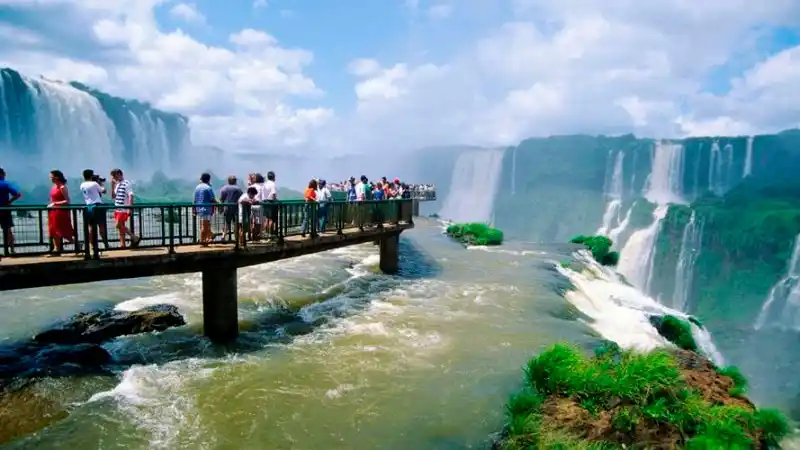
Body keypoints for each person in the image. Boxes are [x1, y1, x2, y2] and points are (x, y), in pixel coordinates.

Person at [110, 168, 141, 249]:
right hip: (117, 208)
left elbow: (131, 195)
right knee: (121, 227)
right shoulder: (117, 185)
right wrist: (112, 187)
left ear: (119, 174)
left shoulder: (126, 183)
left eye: (114, 176)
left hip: (123, 209)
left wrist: (130, 208)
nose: (114, 178)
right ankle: (122, 244)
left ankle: (134, 237)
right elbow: (113, 197)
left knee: (118, 225)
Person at [47, 170, 75, 256]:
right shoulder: (53, 187)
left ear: (57, 177)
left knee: (63, 230)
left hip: (61, 212)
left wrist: (55, 203)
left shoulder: (62, 187)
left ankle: (76, 244)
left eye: (51, 177)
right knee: (53, 230)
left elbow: (67, 201)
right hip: (53, 212)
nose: (50, 178)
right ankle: (57, 249)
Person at [80, 169, 107, 257]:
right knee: (101, 226)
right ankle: (105, 245)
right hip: (97, 206)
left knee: (91, 227)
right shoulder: (94, 184)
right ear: (91, 175)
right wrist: (101, 183)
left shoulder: (82, 185)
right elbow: (103, 191)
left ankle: (91, 246)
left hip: (88, 207)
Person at [0, 167, 21, 256]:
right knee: (8, 230)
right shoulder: (6, 184)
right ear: (2, 174)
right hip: (5, 210)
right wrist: (9, 202)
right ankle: (12, 250)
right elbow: (17, 194)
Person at [193, 172, 216, 246]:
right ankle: (203, 242)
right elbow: (212, 199)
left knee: (202, 226)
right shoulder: (208, 188)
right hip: (206, 209)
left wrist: (194, 209)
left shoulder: (197, 187)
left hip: (199, 209)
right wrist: (218, 204)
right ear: (208, 179)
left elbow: (195, 200)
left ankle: (206, 238)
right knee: (205, 227)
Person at [219, 176, 243, 241]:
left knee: (226, 223)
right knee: (236, 224)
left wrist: (221, 208)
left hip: (227, 208)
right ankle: (237, 239)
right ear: (235, 181)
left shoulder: (224, 188)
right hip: (236, 209)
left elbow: (221, 199)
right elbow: (241, 198)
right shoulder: (238, 189)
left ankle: (223, 236)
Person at [263, 171, 278, 239]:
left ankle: (266, 234)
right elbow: (273, 194)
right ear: (273, 177)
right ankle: (270, 235)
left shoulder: (265, 184)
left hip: (265, 202)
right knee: (271, 219)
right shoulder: (272, 184)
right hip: (271, 202)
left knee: (267, 219)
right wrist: (276, 201)